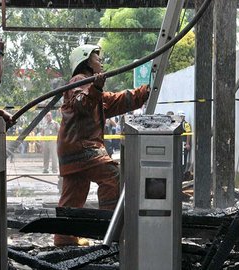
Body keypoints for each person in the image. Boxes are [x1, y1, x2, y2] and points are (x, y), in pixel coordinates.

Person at [55, 44, 150, 246]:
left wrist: (143, 93)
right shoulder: (79, 81)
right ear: (87, 60)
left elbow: (117, 101)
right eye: (97, 59)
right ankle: (109, 229)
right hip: (83, 148)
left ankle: (64, 239)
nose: (101, 62)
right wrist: (96, 88)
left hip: (71, 151)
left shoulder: (91, 90)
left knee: (74, 195)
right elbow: (82, 104)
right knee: (113, 178)